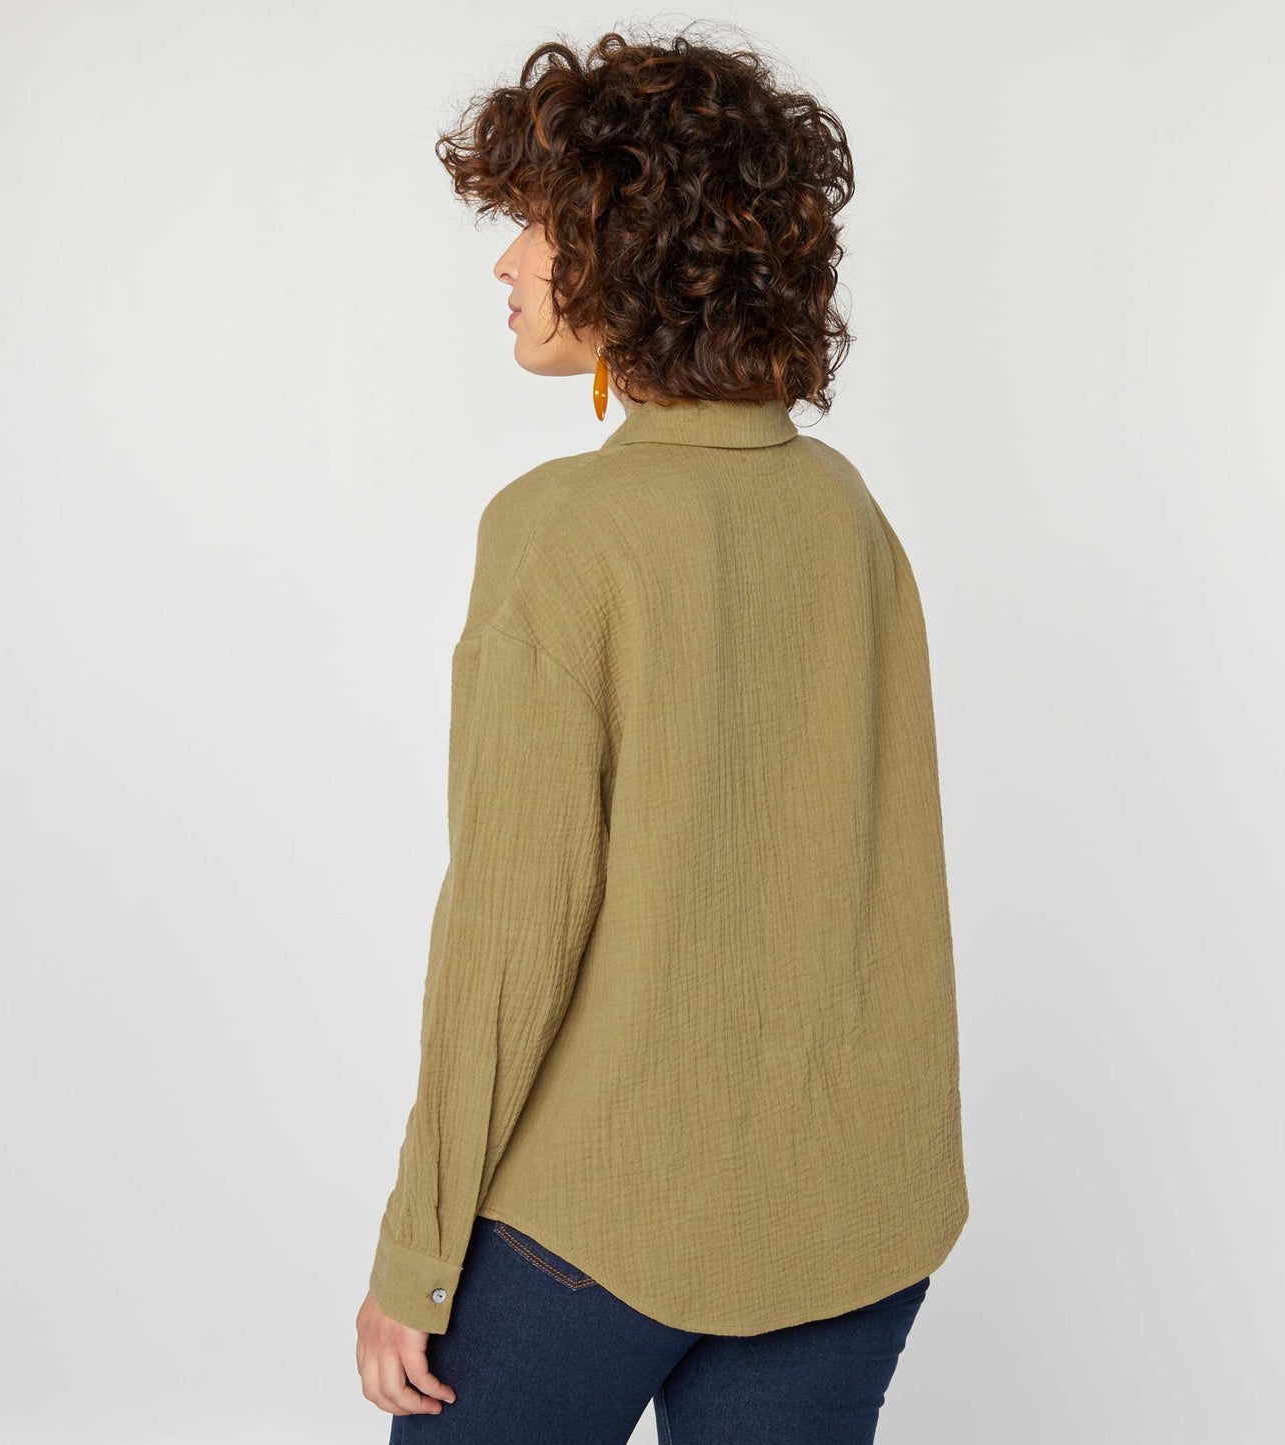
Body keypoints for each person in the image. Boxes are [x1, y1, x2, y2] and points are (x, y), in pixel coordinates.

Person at [354, 26, 968, 1444]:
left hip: (598, 1216)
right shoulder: (846, 512)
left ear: (628, 252)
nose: (506, 264)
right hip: (853, 1209)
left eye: (534, 223)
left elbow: (509, 924)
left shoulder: (562, 533)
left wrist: (417, 1250)